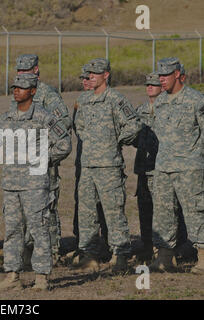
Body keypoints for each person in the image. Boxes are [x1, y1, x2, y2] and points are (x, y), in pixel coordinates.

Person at [0, 73, 72, 291]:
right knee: (12, 230)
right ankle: (12, 275)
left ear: (33, 91)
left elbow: (64, 144)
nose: (16, 90)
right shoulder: (7, 118)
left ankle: (42, 277)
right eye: (14, 87)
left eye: (22, 87)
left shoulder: (45, 118)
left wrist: (43, 159)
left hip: (35, 185)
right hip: (11, 185)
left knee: (39, 229)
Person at [73, 58, 141, 274]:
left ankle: (120, 256)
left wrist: (116, 140)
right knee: (87, 212)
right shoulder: (84, 99)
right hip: (88, 166)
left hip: (109, 166)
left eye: (95, 73)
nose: (90, 76)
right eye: (89, 73)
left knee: (113, 212)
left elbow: (134, 123)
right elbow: (79, 126)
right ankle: (90, 255)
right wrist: (91, 141)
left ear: (106, 75)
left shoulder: (115, 99)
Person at [15, 54, 71, 265]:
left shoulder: (47, 94)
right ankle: (29, 249)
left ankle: (52, 250)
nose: (22, 74)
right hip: (23, 162)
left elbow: (63, 122)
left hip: (43, 160)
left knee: (46, 206)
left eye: (26, 70)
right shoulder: (19, 94)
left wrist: (44, 145)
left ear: (36, 70)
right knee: (25, 207)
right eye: (19, 71)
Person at [150, 57, 204, 274]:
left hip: (189, 167)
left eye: (166, 75)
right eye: (160, 75)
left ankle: (202, 255)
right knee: (163, 213)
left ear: (178, 75)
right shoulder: (161, 102)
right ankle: (165, 257)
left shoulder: (196, 100)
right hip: (163, 166)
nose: (161, 80)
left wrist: (196, 157)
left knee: (195, 212)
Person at [68, 65, 109, 266]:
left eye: (89, 77)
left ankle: (108, 246)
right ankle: (84, 248)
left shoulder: (111, 100)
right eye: (82, 78)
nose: (85, 81)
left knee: (108, 208)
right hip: (84, 162)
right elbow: (77, 128)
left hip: (106, 164)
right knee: (84, 207)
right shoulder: (80, 103)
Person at [132, 72, 161, 263]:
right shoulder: (140, 110)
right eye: (147, 84)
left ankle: (164, 248)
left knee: (163, 210)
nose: (149, 87)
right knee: (144, 207)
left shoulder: (167, 109)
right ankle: (147, 245)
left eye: (153, 84)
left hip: (161, 168)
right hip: (144, 167)